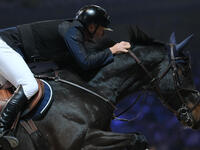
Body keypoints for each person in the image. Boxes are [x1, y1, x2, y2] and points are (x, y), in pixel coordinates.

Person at [0, 5, 131, 135]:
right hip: (5, 46)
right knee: (30, 86)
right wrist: (112, 50)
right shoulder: (72, 31)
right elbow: (85, 62)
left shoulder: (73, 32)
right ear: (92, 26)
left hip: (8, 49)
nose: (103, 34)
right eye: (102, 29)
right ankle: (2, 128)